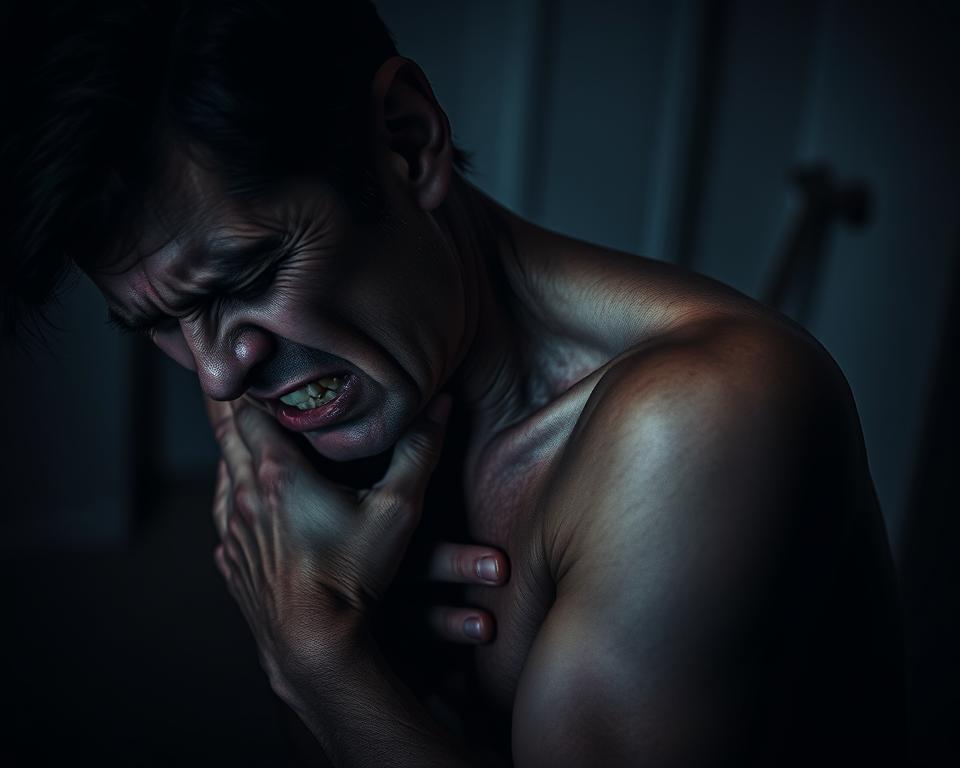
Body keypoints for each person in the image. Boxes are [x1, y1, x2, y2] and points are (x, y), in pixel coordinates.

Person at [1, 2, 905, 765]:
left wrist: (318, 654)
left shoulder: (707, 426)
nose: (216, 371)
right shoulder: (313, 363)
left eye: (244, 278)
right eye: (158, 321)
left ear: (408, 141)